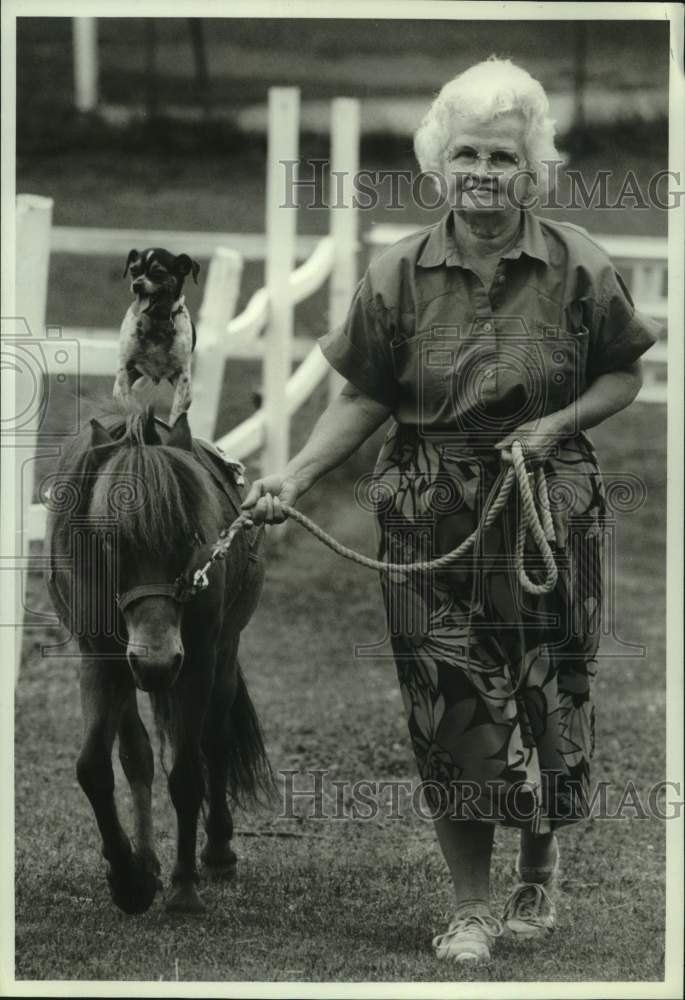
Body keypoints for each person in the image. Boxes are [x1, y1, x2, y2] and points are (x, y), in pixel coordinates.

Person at [241, 58, 660, 963]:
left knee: (553, 694)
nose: (482, 171)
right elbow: (363, 394)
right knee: (449, 705)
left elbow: (624, 370)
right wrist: (299, 475)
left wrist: (556, 424)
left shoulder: (577, 264)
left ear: (531, 170)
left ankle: (536, 872)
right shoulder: (399, 273)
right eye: (465, 152)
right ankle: (470, 906)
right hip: (427, 511)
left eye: (503, 157)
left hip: (551, 503)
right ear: (439, 162)